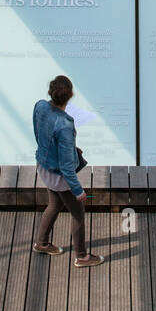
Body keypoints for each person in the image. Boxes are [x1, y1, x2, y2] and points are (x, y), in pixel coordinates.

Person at [32, 75, 103, 267]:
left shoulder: (40, 106)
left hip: (43, 165)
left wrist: (71, 150)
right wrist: (78, 190)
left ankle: (42, 243)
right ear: (70, 96)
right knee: (78, 214)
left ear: (51, 92)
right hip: (60, 176)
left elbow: (39, 132)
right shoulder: (65, 124)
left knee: (54, 204)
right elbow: (66, 167)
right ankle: (82, 256)